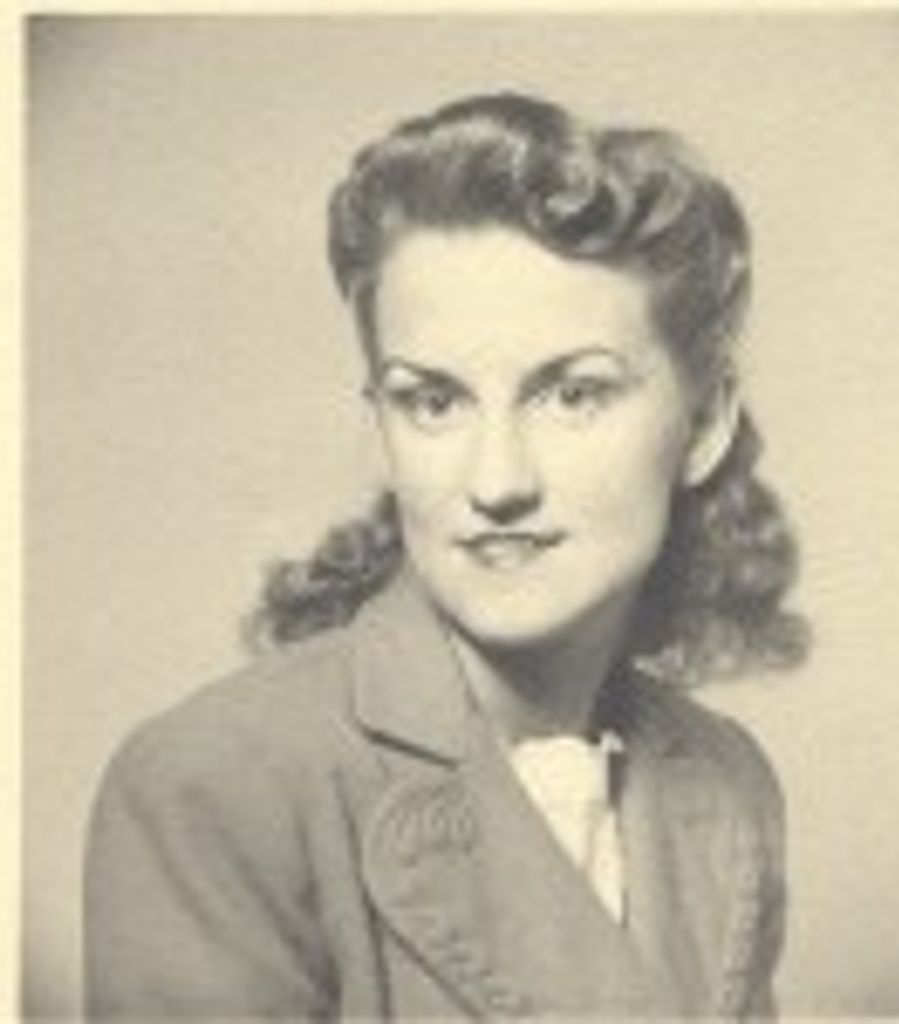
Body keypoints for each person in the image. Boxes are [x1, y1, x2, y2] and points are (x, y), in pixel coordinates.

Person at [84, 92, 808, 1020]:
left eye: (573, 394)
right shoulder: (215, 788)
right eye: (433, 402)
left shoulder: (727, 781)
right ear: (382, 435)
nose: (497, 481)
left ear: (703, 425)